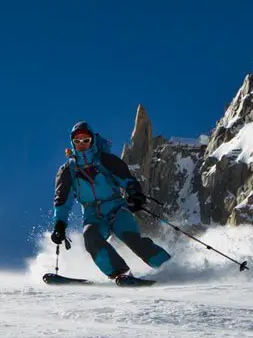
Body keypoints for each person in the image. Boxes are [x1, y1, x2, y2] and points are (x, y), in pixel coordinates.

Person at [51, 121, 171, 283]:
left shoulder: (105, 160)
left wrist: (134, 194)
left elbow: (127, 180)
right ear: (72, 143)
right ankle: (119, 273)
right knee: (90, 237)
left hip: (116, 208)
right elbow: (62, 201)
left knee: (132, 239)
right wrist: (60, 224)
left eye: (85, 140)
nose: (81, 144)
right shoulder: (68, 170)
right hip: (93, 215)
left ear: (92, 140)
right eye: (77, 141)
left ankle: (168, 267)